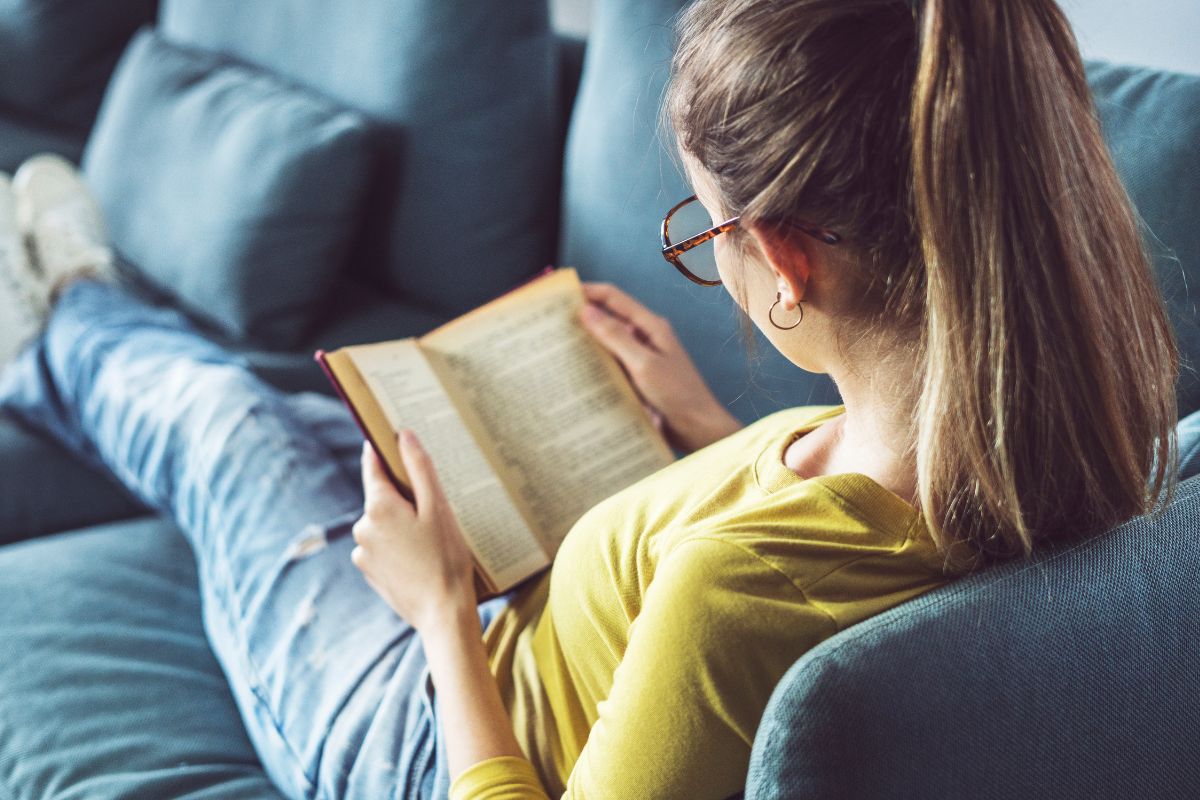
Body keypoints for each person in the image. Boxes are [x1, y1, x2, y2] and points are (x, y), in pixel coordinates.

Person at [0, 0, 1180, 798]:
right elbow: (831, 556)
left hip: (433, 725)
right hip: (534, 632)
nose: (705, 253)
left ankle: (54, 318)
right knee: (310, 415)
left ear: (785, 263)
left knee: (226, 428)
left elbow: (760, 594)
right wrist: (713, 434)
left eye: (704, 229)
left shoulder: (734, 597)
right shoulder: (1084, 432)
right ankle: (75, 310)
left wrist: (439, 611)